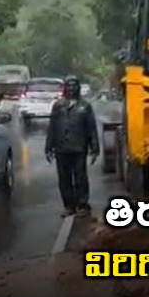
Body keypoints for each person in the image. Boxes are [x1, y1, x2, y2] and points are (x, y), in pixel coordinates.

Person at [45, 75, 100, 218]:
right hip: (61, 148)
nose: (71, 88)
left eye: (74, 85)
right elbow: (52, 127)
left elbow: (91, 128)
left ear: (79, 88)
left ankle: (82, 205)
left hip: (79, 148)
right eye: (68, 85)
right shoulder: (58, 106)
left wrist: (95, 149)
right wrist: (48, 147)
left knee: (80, 177)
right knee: (64, 179)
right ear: (65, 88)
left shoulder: (85, 106)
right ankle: (69, 206)